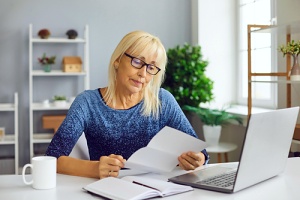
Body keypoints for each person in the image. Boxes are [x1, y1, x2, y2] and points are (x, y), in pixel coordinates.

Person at [45, 30, 209, 179]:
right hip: (106, 191)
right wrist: (95, 168)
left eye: (151, 67)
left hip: (156, 190)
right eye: (137, 62)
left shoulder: (162, 100)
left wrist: (198, 159)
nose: (143, 74)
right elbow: (52, 159)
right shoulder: (87, 103)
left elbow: (198, 150)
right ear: (117, 60)